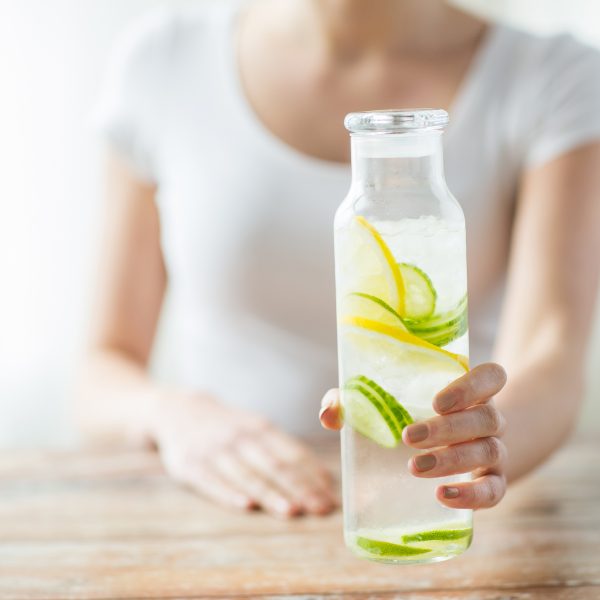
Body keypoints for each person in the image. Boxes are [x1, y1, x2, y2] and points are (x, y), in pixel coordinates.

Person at [79, 0, 600, 518]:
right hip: (226, 510)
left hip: (437, 505)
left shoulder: (552, 75)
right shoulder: (164, 60)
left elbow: (549, 356)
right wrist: (175, 417)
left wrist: (488, 441)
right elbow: (102, 368)